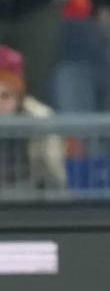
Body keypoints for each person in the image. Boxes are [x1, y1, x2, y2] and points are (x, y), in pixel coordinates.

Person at [0, 45, 67, 192]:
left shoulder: (40, 117)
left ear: (18, 96)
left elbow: (55, 177)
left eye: (5, 96)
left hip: (27, 196)